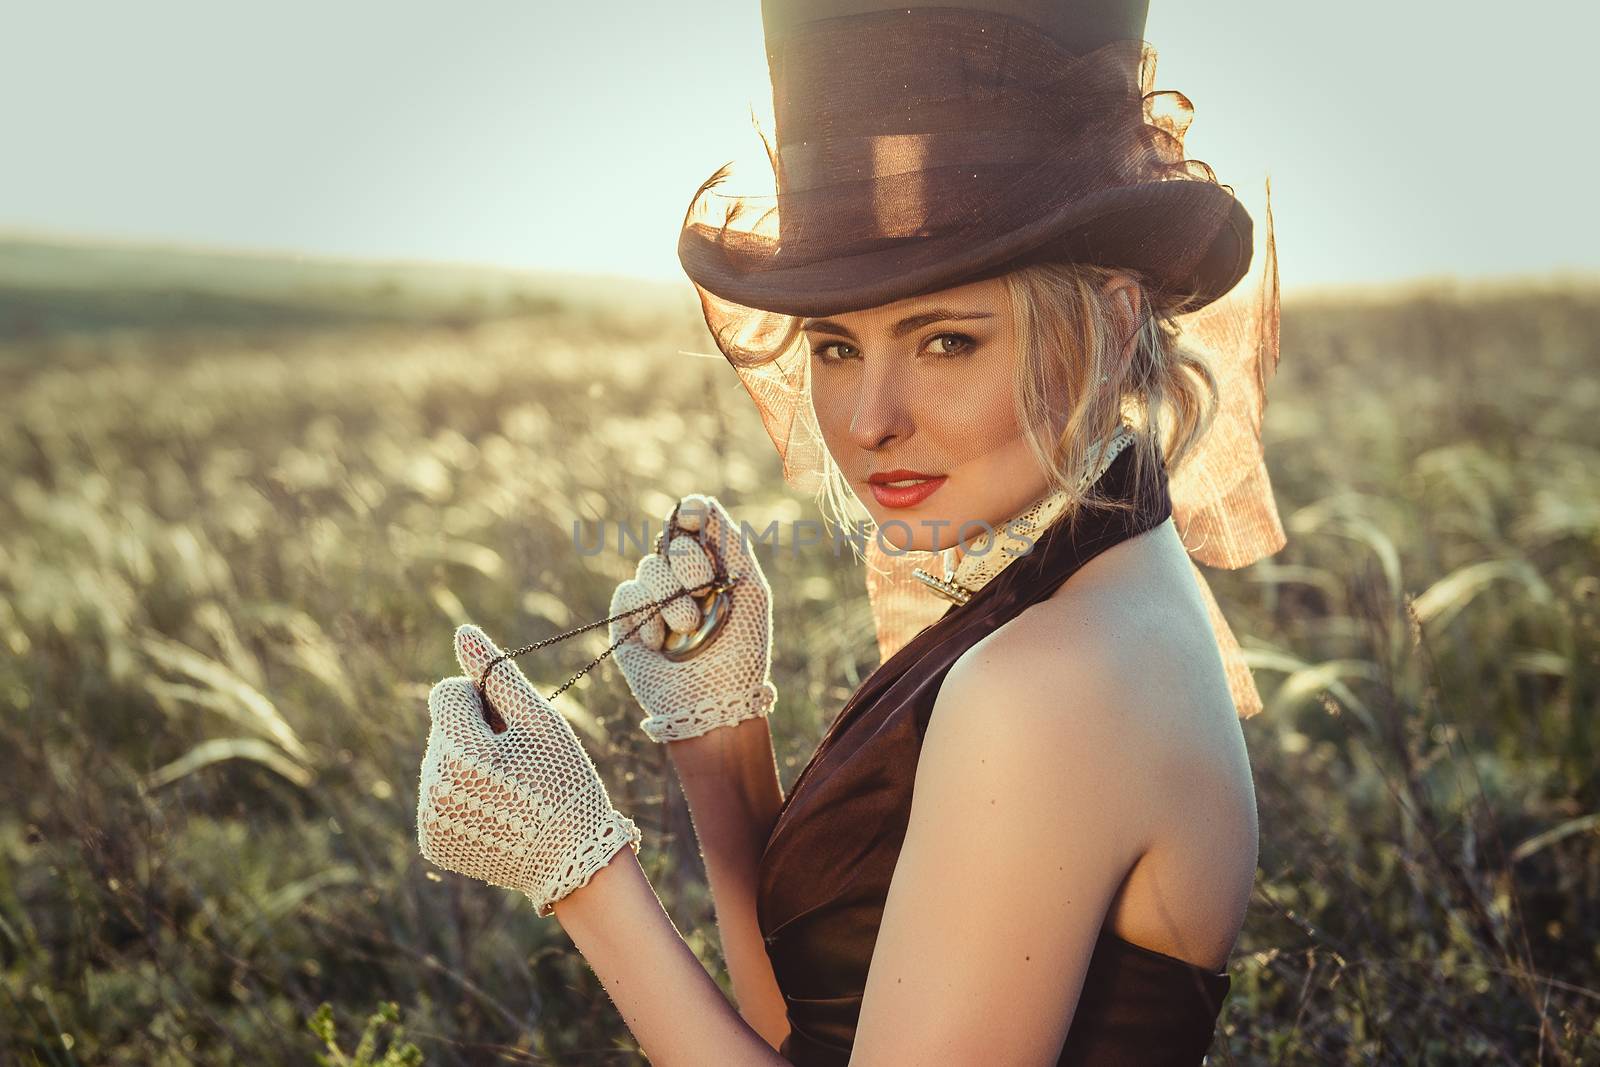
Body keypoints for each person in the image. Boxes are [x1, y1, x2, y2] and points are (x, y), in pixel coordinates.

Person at [414, 1, 1285, 1063]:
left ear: (1105, 321)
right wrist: (717, 737)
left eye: (947, 340)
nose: (869, 420)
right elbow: (815, 1029)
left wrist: (579, 868)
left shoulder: (1051, 678)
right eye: (833, 349)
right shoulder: (1095, 586)